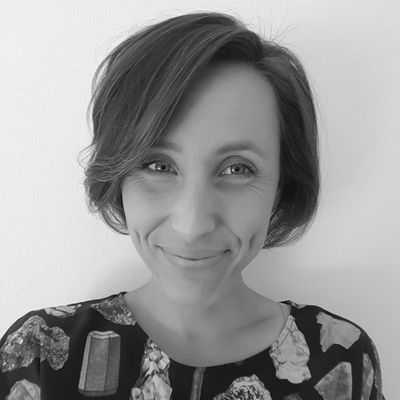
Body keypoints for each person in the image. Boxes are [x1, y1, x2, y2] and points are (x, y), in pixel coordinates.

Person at [0, 11, 384, 400]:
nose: (193, 224)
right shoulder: (38, 355)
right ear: (117, 176)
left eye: (237, 168)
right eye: (157, 165)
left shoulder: (339, 359)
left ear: (282, 185)